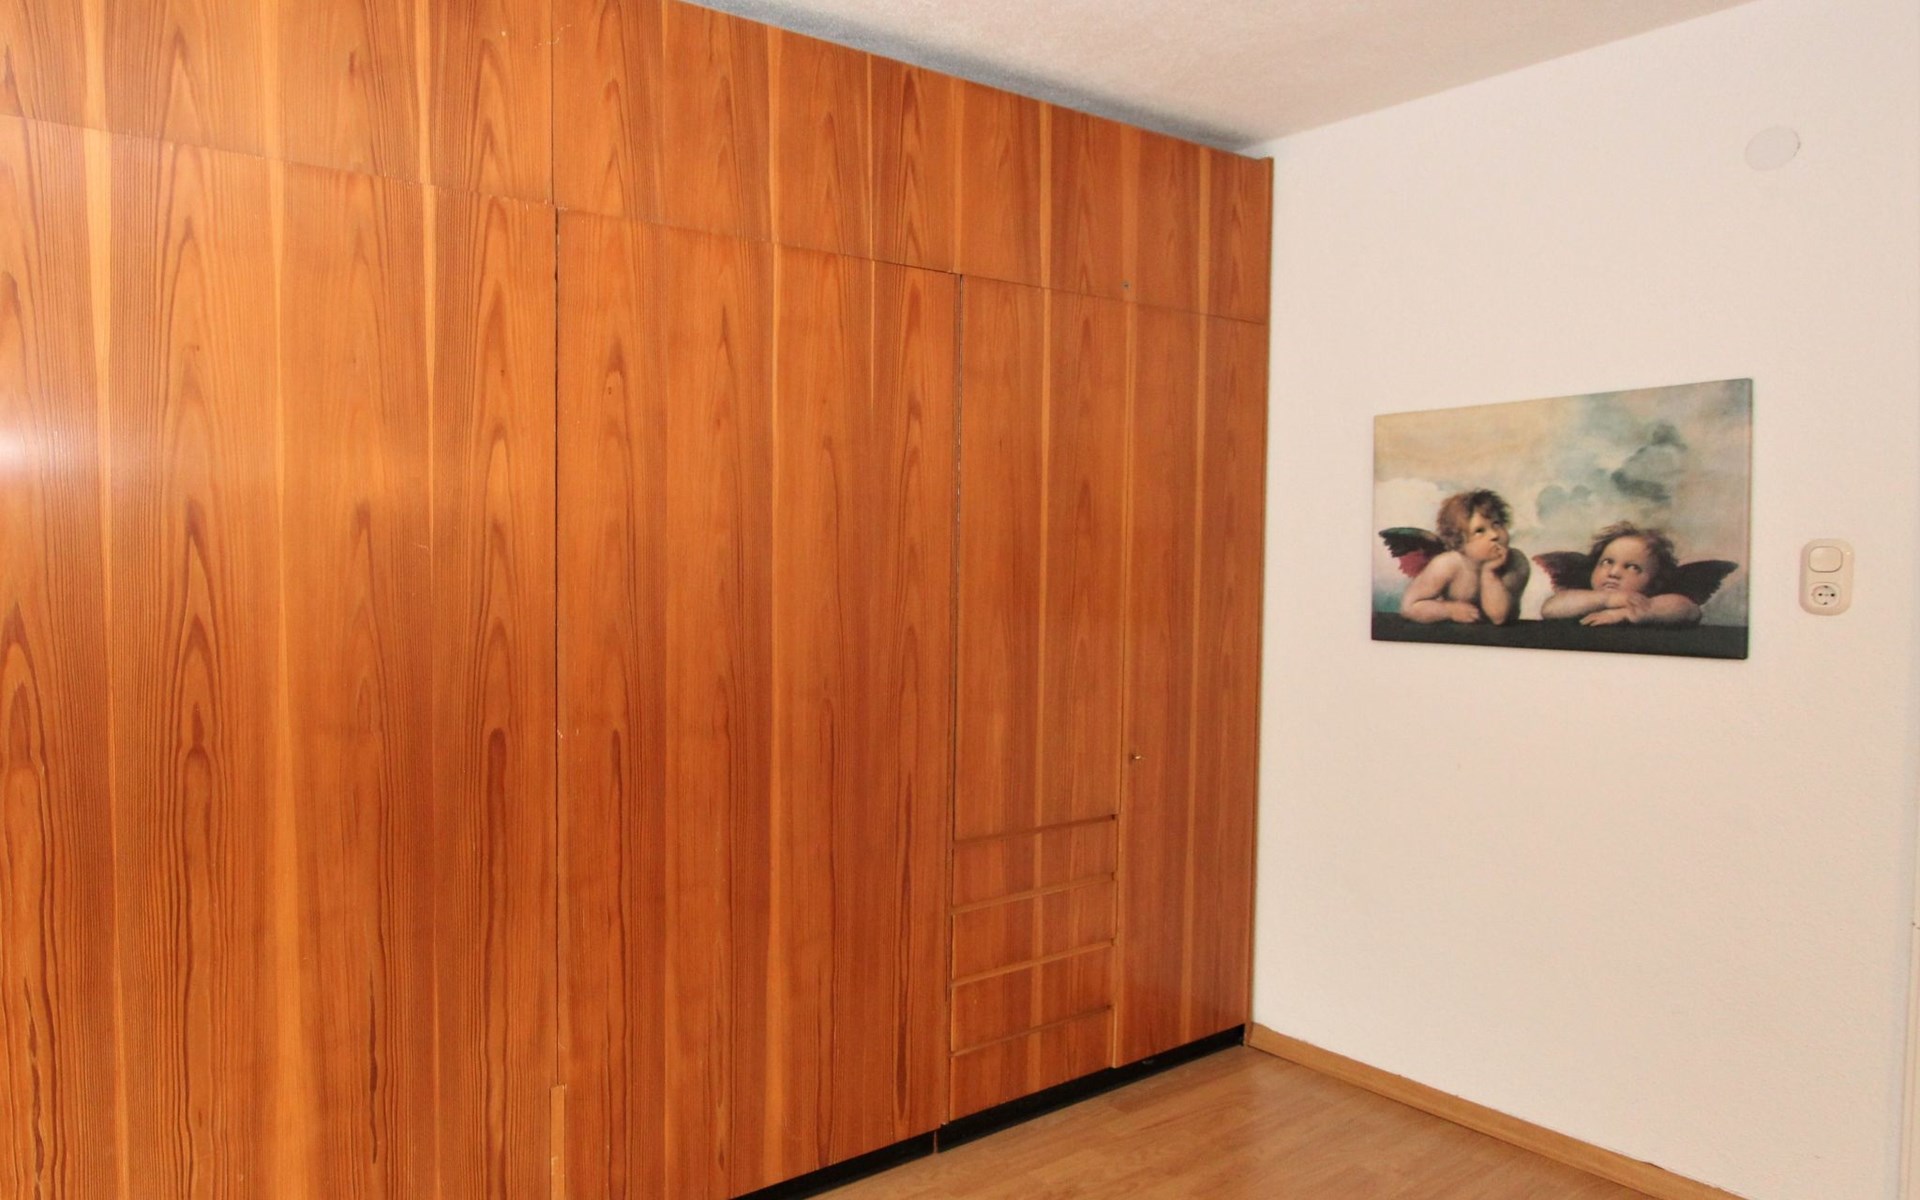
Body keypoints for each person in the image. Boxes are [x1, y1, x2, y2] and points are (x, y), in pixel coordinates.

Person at [1398, 489, 1530, 625]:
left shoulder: (1516, 561)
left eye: (1497, 524)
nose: (1494, 535)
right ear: (1460, 543)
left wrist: (1489, 573)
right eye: (1480, 531)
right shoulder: (1447, 564)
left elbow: (1498, 618)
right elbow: (1409, 607)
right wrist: (1449, 610)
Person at [1538, 522, 1703, 627]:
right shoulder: (1582, 599)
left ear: (1655, 583)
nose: (1614, 573)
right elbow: (1550, 609)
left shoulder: (1655, 603)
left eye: (1632, 567)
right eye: (1607, 562)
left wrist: (1628, 613)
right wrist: (1607, 599)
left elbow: (1690, 610)